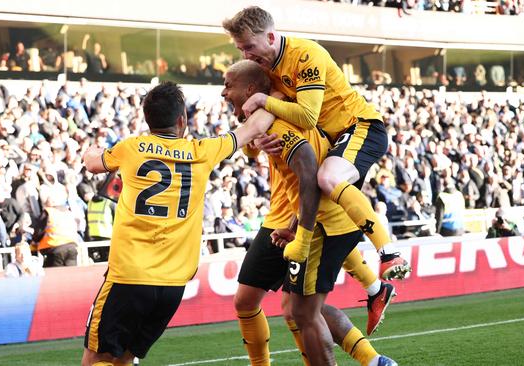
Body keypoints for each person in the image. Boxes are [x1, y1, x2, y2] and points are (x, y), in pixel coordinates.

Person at [80, 81, 274, 366]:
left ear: (147, 119)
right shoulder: (204, 151)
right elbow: (255, 127)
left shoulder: (131, 148)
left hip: (129, 276)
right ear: (182, 119)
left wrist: (89, 152)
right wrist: (281, 95)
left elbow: (94, 164)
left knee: (95, 360)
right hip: (172, 286)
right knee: (124, 359)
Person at [224, 61, 396, 366]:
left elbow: (307, 170)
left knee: (284, 307)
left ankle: (379, 279)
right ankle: (375, 358)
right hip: (301, 216)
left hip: (299, 219)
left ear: (251, 90)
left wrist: (298, 231)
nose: (223, 92)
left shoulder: (274, 117)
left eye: (228, 85)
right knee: (297, 308)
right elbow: (257, 148)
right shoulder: (278, 110)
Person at [223, 6, 410, 280]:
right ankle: (374, 288)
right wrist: (259, 139)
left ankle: (390, 254)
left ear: (271, 38)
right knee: (319, 193)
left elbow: (308, 117)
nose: (246, 55)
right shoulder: (269, 69)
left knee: (327, 178)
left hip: (360, 126)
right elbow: (263, 123)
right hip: (334, 140)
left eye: (249, 46)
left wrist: (263, 100)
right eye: (241, 49)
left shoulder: (305, 54)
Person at [32, 195, 80, 267]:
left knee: (53, 275)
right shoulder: (68, 212)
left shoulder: (48, 212)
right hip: (72, 247)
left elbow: (38, 232)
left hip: (55, 248)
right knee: (71, 274)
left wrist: (34, 242)